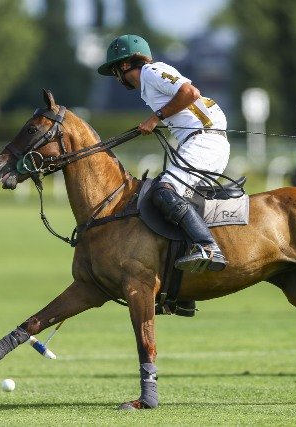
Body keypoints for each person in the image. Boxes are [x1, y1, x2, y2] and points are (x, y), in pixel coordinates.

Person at [97, 34, 229, 273]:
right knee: (174, 197)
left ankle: (208, 246)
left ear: (125, 65)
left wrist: (155, 118)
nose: (116, 77)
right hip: (205, 141)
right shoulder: (148, 86)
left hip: (203, 141)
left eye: (115, 70)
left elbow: (190, 92)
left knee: (164, 191)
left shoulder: (150, 71)